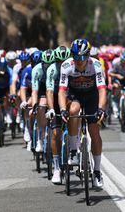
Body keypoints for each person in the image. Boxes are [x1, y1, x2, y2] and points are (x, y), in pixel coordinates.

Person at [59, 38, 106, 187]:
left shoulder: (96, 65)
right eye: (76, 57)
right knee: (73, 110)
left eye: (83, 57)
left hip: (92, 96)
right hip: (75, 95)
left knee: (94, 132)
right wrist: (62, 110)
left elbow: (102, 90)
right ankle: (73, 150)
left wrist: (101, 109)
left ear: (88, 56)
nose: (79, 60)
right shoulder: (66, 66)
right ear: (72, 56)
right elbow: (61, 91)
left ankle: (97, 171)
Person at [45, 46, 71, 184]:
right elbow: (49, 92)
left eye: (64, 60)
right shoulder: (52, 70)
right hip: (55, 98)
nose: (62, 64)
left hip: (69, 96)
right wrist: (51, 109)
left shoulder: (72, 66)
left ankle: (77, 149)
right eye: (59, 61)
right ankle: (56, 167)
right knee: (55, 134)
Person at [31, 49, 56, 152]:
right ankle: (40, 140)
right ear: (42, 63)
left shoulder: (57, 69)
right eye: (46, 64)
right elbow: (34, 91)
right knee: (42, 106)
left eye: (51, 64)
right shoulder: (36, 70)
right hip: (42, 88)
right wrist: (34, 106)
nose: (48, 66)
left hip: (54, 89)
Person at [108, 50, 125, 126]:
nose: (124, 62)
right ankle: (115, 104)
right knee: (117, 87)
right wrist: (112, 81)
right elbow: (110, 73)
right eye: (123, 60)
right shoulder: (115, 62)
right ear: (120, 58)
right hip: (116, 76)